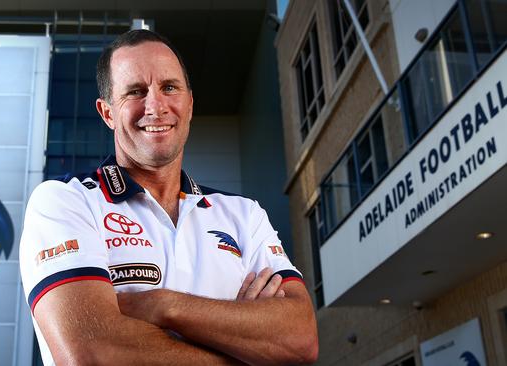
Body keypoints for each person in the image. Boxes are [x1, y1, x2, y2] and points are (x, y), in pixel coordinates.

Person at [19, 29, 318, 365]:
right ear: (108, 113)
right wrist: (244, 343)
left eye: (169, 87)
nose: (156, 106)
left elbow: (300, 337)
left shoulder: (243, 214)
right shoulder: (64, 203)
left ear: (189, 104)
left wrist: (164, 306)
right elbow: (93, 354)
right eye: (135, 91)